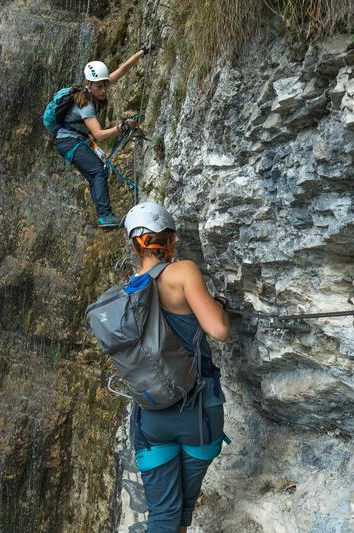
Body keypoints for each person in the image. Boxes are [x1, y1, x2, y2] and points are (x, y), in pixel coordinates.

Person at [122, 201, 230, 532]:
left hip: (151, 415)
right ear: (170, 240)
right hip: (198, 414)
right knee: (182, 510)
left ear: (134, 246)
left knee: (163, 517)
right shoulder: (182, 272)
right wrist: (219, 307)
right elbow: (219, 330)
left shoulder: (128, 290)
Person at [54, 48, 151, 228]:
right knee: (98, 170)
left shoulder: (99, 85)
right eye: (100, 87)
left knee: (96, 173)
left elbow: (122, 70)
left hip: (74, 139)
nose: (104, 90)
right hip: (68, 142)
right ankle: (105, 216)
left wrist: (142, 53)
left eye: (105, 85)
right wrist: (122, 127)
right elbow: (99, 134)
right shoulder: (86, 105)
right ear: (89, 85)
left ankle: (104, 216)